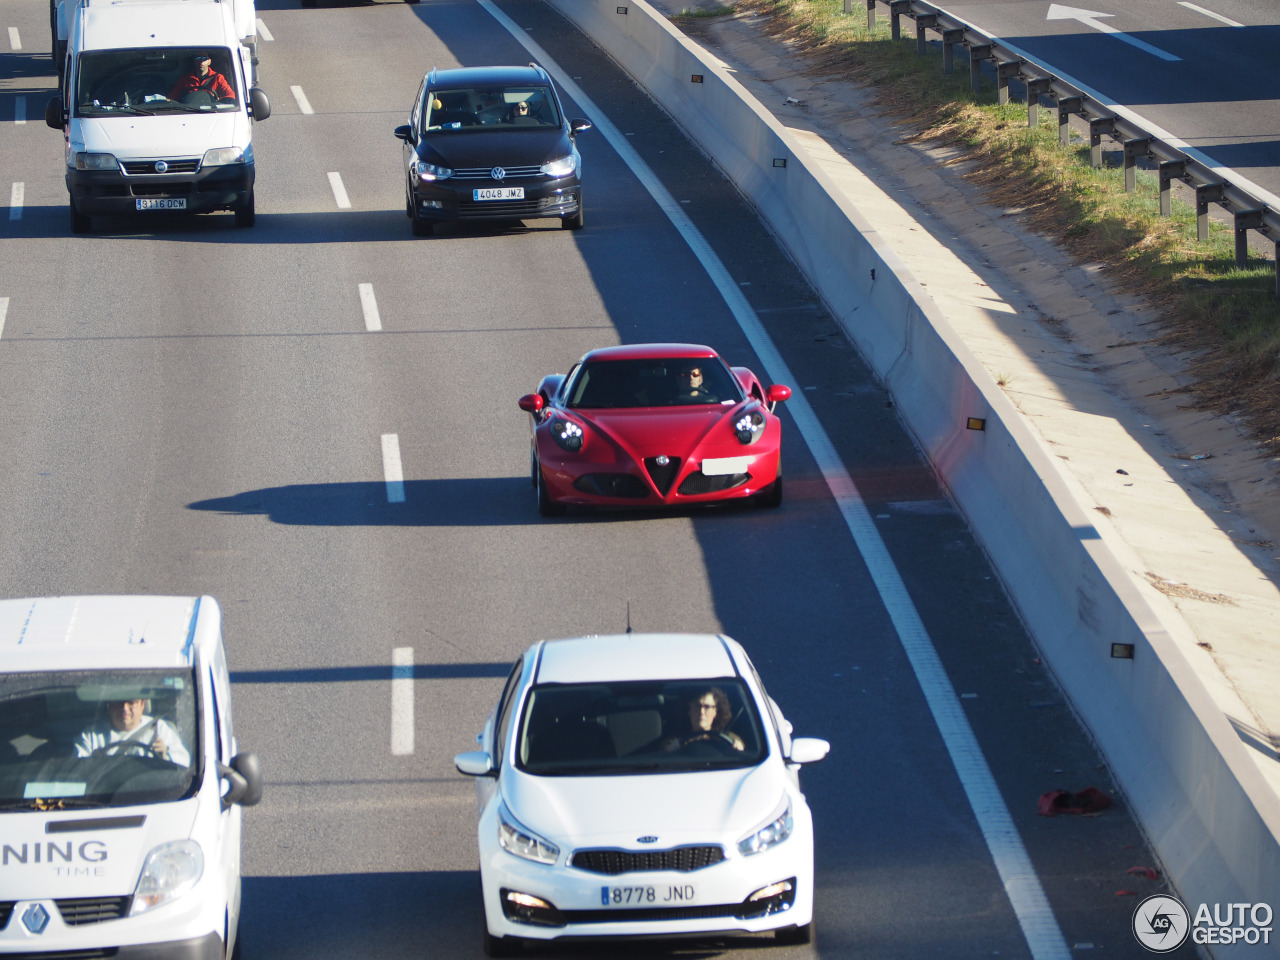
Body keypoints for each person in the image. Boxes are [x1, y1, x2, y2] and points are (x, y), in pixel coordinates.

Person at [75, 698, 189, 765]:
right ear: (109, 706)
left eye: (131, 702)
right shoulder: (91, 735)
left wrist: (165, 757)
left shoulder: (159, 728)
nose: (124, 708)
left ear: (142, 705)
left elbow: (184, 763)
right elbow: (77, 770)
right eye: (118, 702)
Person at [663, 687, 744, 750]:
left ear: (716, 712)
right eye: (697, 706)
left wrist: (738, 748)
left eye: (707, 707)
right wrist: (671, 752)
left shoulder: (729, 739)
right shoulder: (674, 742)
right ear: (689, 710)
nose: (701, 711)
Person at [169, 53, 235, 104]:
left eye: (204, 58)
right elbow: (172, 99)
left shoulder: (218, 78)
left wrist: (217, 100)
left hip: (212, 112)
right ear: (194, 61)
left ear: (209, 61)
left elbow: (230, 96)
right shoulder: (185, 79)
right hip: (189, 112)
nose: (201, 61)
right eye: (198, 58)